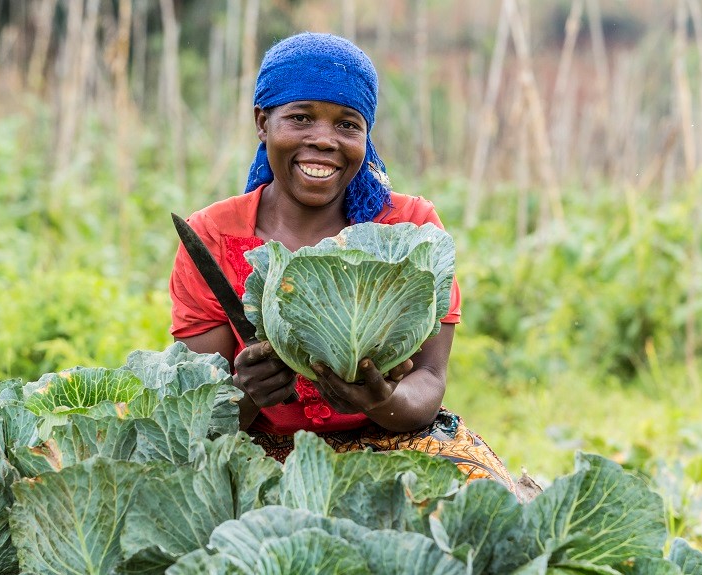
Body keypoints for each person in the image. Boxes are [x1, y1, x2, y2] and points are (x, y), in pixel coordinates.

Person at [170, 32, 538, 501]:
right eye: (300, 117)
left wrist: (382, 400)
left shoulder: (411, 230)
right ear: (263, 122)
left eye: (347, 124)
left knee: (485, 510)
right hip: (260, 451)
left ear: (366, 136)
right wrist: (245, 394)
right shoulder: (212, 238)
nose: (324, 140)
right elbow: (202, 419)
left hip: (395, 439)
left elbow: (429, 381)